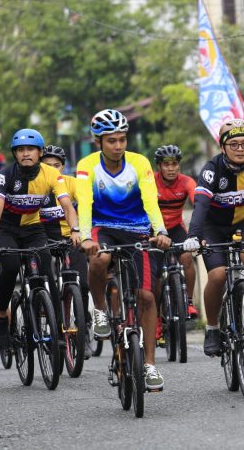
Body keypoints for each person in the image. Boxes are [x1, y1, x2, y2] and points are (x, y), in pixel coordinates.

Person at [77, 109, 170, 392]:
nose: (118, 146)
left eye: (122, 140)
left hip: (136, 228)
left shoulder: (140, 163)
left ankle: (150, 365)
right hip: (101, 227)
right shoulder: (87, 166)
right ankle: (100, 310)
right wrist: (84, 237)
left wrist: (161, 230)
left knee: (146, 295)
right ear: (99, 143)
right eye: (111, 141)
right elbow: (85, 203)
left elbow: (151, 202)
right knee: (100, 258)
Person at [182, 118, 244, 357]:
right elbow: (201, 206)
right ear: (222, 148)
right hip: (212, 226)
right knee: (217, 276)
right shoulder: (211, 169)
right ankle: (213, 329)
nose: (240, 149)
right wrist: (194, 236)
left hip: (242, 222)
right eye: (234, 144)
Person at [0, 129, 80, 350]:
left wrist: (75, 230)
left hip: (34, 228)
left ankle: (58, 329)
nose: (26, 154)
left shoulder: (51, 174)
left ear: (40, 152)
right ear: (15, 154)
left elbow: (66, 205)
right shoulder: (4, 176)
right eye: (21, 150)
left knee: (47, 268)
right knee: (11, 266)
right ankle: (3, 314)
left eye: (31, 149)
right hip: (7, 228)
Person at [39, 144, 90, 345]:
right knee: (46, 281)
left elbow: (86, 204)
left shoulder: (72, 183)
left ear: (63, 167)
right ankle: (52, 321)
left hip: (71, 238)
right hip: (45, 239)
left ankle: (83, 326)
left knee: (83, 284)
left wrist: (85, 233)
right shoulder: (35, 185)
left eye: (57, 165)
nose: (53, 169)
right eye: (48, 165)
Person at [153, 144, 198, 320]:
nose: (171, 168)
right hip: (155, 230)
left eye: (174, 164)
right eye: (166, 164)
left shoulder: (187, 182)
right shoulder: (151, 182)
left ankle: (189, 301)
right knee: (155, 272)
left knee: (187, 257)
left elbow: (198, 203)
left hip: (176, 228)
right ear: (159, 166)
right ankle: (155, 315)